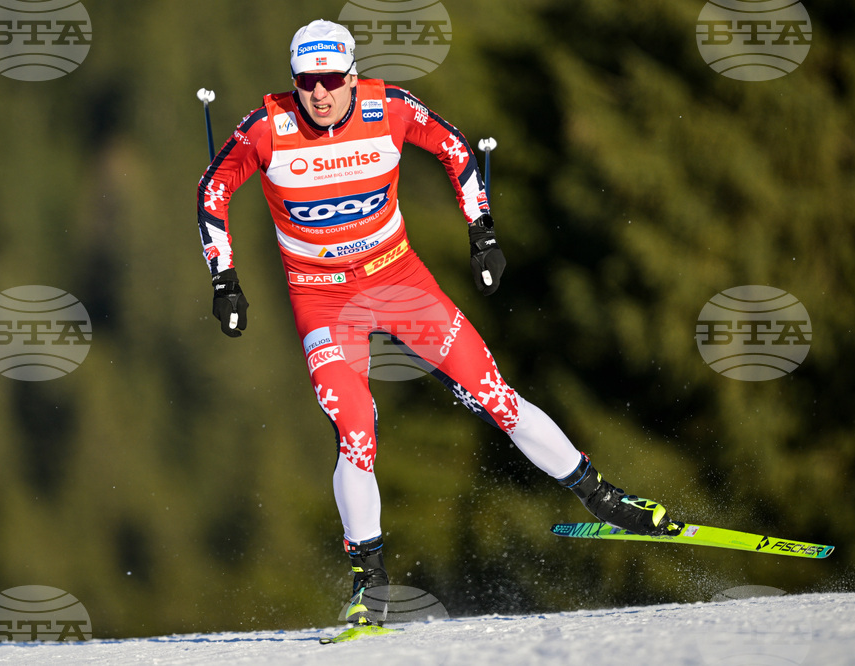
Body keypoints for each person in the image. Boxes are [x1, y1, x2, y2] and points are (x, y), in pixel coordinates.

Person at [196, 19, 679, 626]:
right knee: (357, 430)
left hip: (399, 282)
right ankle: (369, 581)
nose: (318, 94)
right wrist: (225, 277)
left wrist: (482, 232)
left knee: (495, 396)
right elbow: (213, 191)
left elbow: (457, 150)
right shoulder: (267, 128)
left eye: (330, 80)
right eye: (305, 82)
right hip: (323, 299)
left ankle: (600, 495)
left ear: (352, 75)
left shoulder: (388, 108)